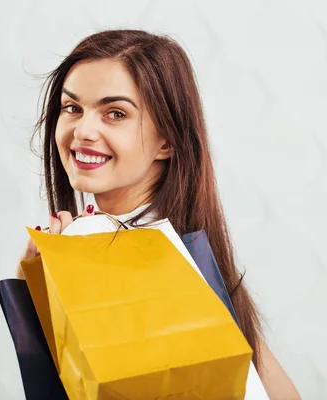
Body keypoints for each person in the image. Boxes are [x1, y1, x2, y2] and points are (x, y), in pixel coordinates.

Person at [16, 29, 300, 399]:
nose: (83, 130)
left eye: (114, 113)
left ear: (166, 140)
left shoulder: (96, 241)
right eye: (72, 108)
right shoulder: (190, 255)